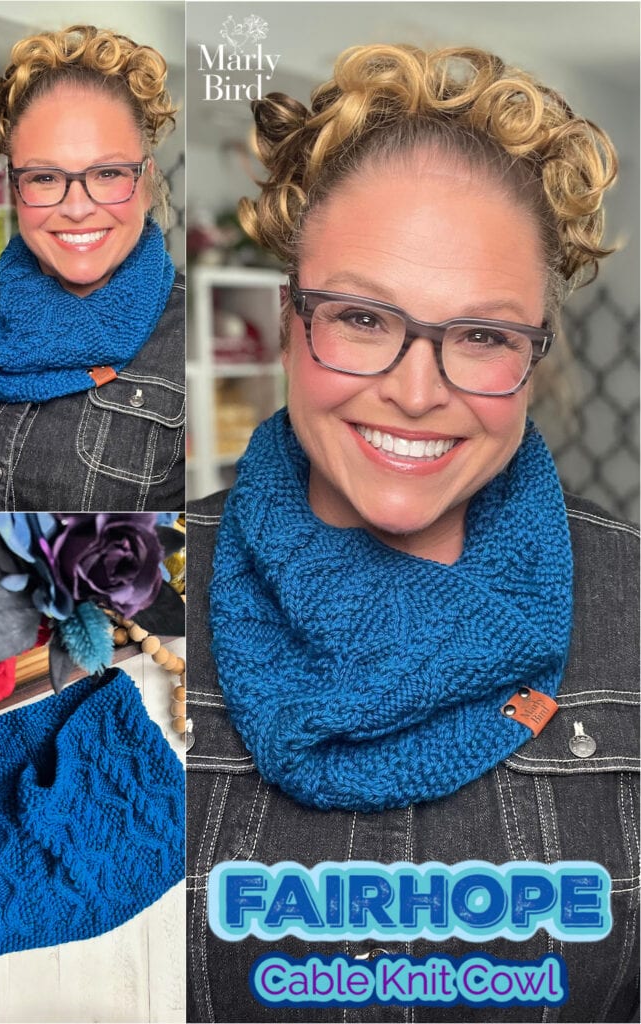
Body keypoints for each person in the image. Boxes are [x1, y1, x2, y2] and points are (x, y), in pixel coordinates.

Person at [186, 44, 639, 1023]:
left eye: (480, 334)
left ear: (533, 357)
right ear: (286, 318)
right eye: (359, 316)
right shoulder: (144, 580)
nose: (416, 391)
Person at [0, 25, 185, 511]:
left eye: (107, 174)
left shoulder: (188, 335)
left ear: (145, 181)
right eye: (45, 177)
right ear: (15, 187)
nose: (77, 208)